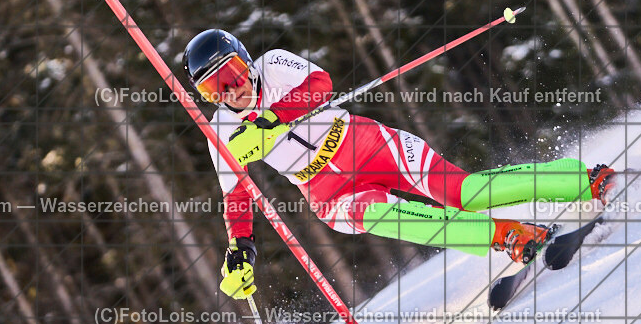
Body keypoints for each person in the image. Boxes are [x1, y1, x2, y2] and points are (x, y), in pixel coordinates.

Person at [182, 29, 615, 299]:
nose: (232, 90)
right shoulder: (221, 132)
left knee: (466, 193)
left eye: (234, 73)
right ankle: (510, 237)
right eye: (215, 88)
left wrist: (273, 121)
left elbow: (320, 84)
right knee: (399, 217)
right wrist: (241, 249)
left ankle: (581, 179)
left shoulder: (273, 64)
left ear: (246, 60)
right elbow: (236, 195)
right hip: (328, 192)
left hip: (364, 144)